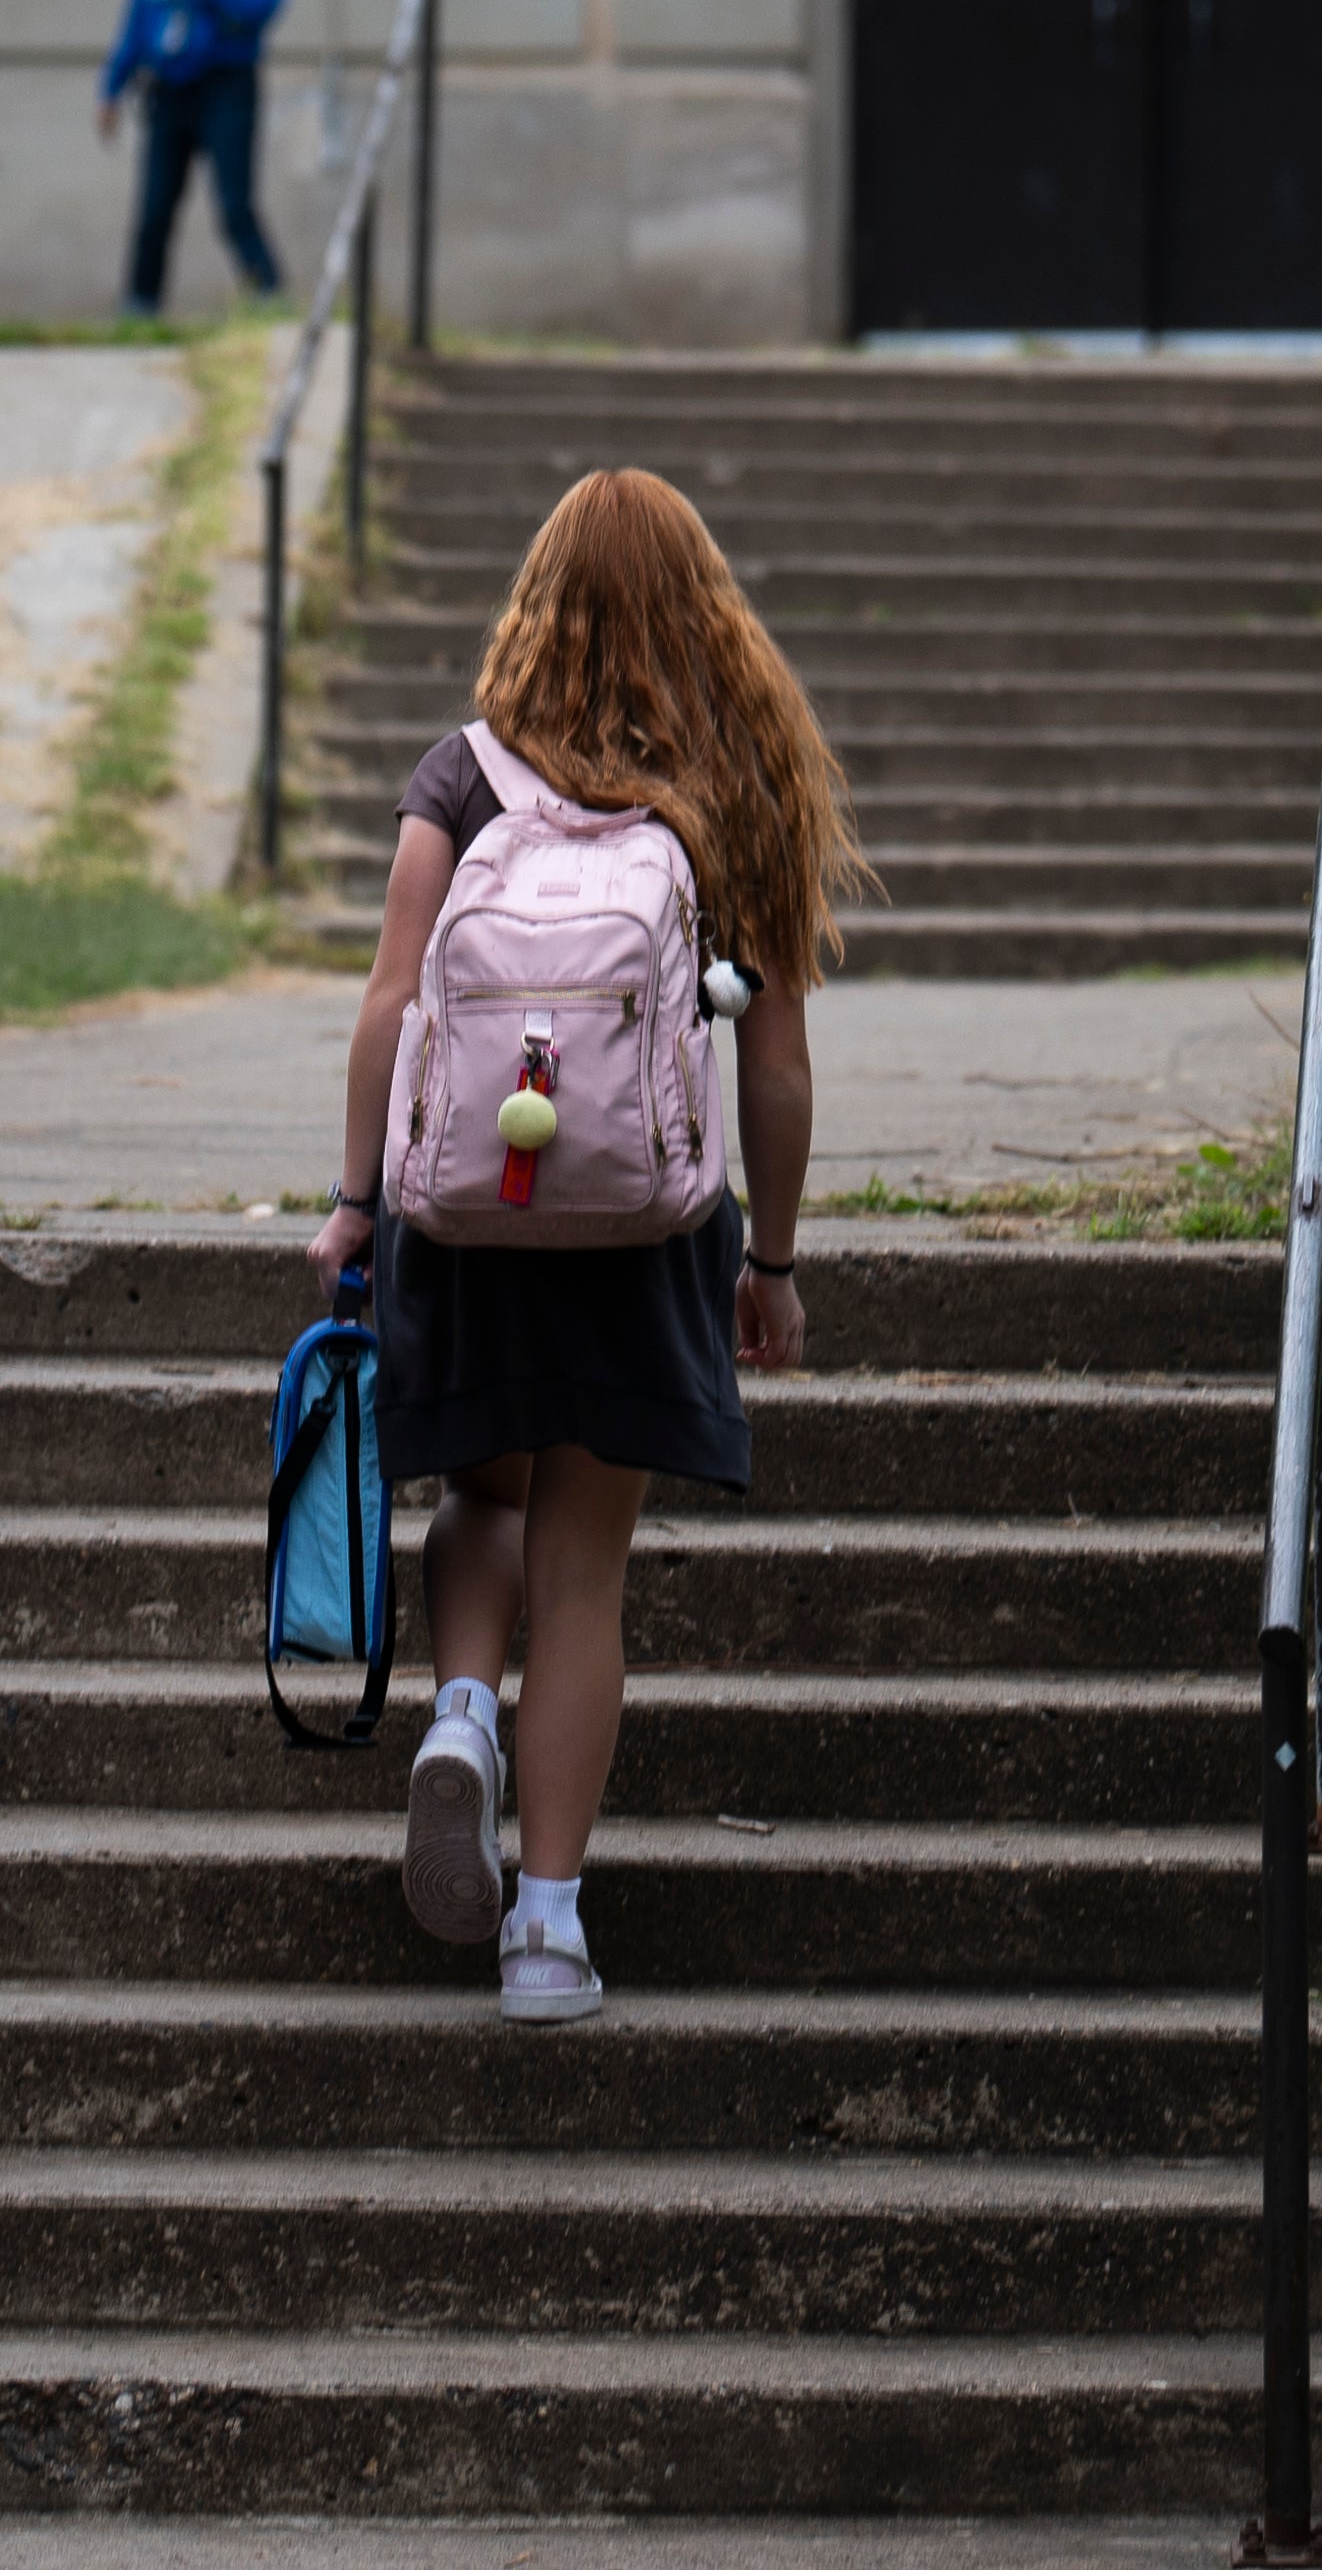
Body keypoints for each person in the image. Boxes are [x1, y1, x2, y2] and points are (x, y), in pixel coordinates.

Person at [308, 468, 853, 2025]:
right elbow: (779, 1063)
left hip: (473, 1212)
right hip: (642, 1225)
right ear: (706, 615)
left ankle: (462, 1715)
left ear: (539, 597)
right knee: (586, 1565)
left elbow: (392, 1004)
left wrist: (354, 1203)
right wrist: (776, 1263)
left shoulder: (462, 776)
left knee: (480, 1489)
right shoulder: (731, 786)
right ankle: (546, 1926)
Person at [95, 0, 286, 317]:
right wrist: (114, 83)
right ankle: (139, 312)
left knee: (234, 206)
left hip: (226, 83)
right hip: (169, 85)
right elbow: (141, 6)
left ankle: (269, 301)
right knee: (154, 210)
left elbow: (260, 2)